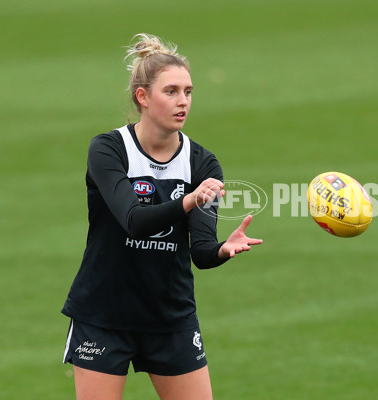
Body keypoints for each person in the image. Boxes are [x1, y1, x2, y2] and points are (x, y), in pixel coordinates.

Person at [61, 33, 263, 400]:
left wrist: (222, 250)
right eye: (171, 91)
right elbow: (134, 220)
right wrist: (187, 201)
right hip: (104, 315)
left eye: (188, 91)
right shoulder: (108, 150)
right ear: (143, 97)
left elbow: (200, 252)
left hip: (170, 316)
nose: (183, 101)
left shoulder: (202, 163)